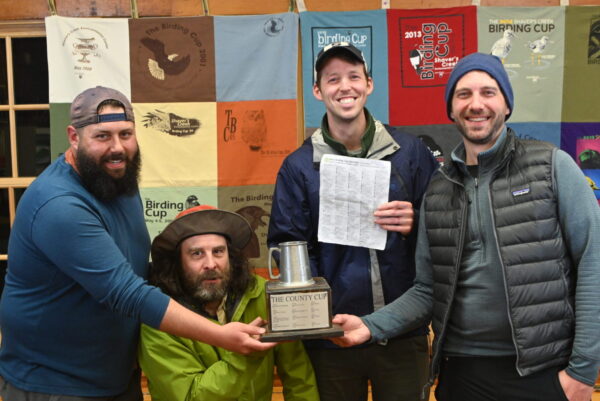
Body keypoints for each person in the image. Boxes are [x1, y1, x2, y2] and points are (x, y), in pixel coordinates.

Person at [333, 52, 600, 401]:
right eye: (464, 95)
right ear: (451, 109)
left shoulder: (552, 166)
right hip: (461, 373)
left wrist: (581, 371)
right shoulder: (438, 190)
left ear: (506, 104)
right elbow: (428, 290)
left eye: (488, 92)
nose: (476, 104)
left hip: (542, 371)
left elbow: (593, 263)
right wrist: (369, 325)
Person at [0, 86, 274, 400]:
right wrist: (221, 336)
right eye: (103, 136)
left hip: (115, 376)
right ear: (74, 137)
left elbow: (133, 267)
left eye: (126, 134)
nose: (118, 148)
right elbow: (124, 292)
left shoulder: (117, 180)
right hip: (53, 383)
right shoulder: (58, 205)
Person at [267, 42, 438, 401]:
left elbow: (448, 229)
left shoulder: (410, 153)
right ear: (318, 91)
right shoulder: (298, 167)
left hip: (403, 331)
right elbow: (287, 245)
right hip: (333, 337)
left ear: (369, 84)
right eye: (333, 79)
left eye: (353, 77)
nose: (345, 87)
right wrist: (319, 314)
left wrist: (416, 221)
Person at [138, 205, 320, 401]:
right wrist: (245, 355)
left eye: (218, 251)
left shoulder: (262, 295)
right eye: (196, 254)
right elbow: (191, 397)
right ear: (178, 262)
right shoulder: (158, 319)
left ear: (231, 257)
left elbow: (298, 375)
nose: (210, 264)